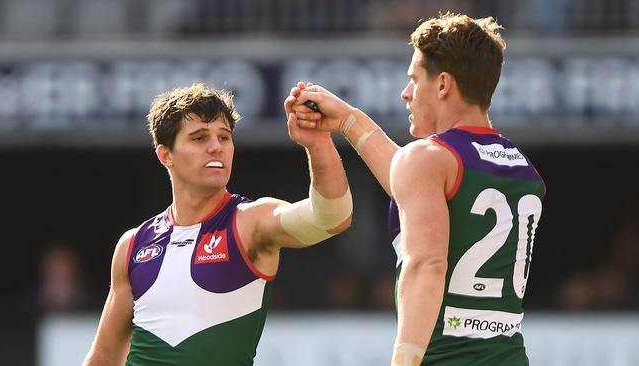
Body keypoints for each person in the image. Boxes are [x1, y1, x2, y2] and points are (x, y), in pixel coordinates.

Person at [287, 12, 545, 365]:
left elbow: (426, 264)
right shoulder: (519, 164)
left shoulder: (427, 159)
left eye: (414, 79)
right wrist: (348, 121)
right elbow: (410, 182)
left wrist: (403, 360)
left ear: (442, 85)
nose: (405, 93)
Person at [83, 83, 353, 365]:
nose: (216, 147)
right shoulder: (133, 245)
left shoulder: (250, 222)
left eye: (224, 137)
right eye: (199, 138)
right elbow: (104, 356)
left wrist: (318, 142)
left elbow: (333, 217)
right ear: (166, 155)